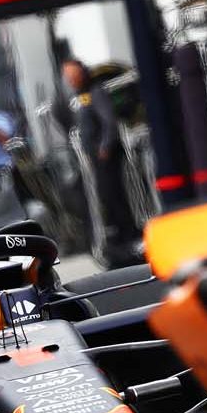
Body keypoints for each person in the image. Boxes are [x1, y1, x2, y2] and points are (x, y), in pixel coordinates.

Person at [61, 58, 139, 267]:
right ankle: (115, 236)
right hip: (91, 158)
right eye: (68, 77)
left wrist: (105, 146)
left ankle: (128, 236)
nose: (71, 80)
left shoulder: (96, 91)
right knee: (102, 197)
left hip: (106, 156)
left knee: (114, 195)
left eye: (73, 75)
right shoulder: (78, 98)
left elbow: (109, 122)